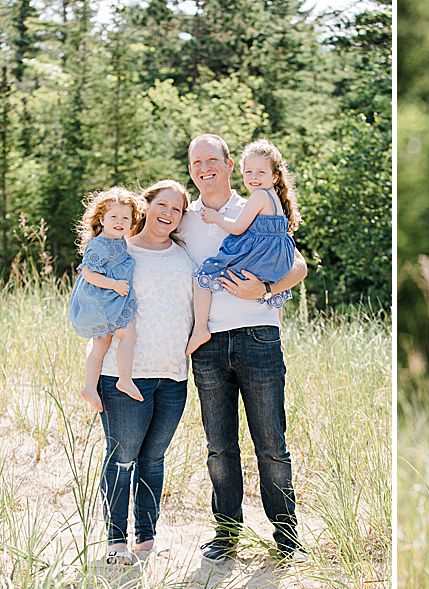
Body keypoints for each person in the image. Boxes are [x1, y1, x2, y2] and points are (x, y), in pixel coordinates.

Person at [180, 133, 309, 563]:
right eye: (196, 162)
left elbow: (300, 264)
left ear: (229, 164)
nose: (204, 168)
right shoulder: (183, 216)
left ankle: (286, 536)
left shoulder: (255, 200)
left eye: (211, 160)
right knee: (220, 445)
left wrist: (266, 287)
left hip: (258, 335)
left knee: (271, 442)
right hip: (207, 343)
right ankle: (227, 533)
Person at [93, 180, 196, 566]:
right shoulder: (121, 252)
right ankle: (116, 540)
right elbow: (91, 301)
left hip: (173, 375)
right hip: (124, 376)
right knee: (123, 459)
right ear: (146, 206)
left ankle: (146, 538)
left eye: (177, 209)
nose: (168, 213)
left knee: (153, 460)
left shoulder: (185, 256)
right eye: (162, 204)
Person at [188, 139, 300, 355]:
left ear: (274, 176)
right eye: (249, 172)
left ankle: (200, 328)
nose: (253, 178)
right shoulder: (275, 199)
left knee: (204, 273)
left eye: (260, 172)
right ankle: (279, 330)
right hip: (274, 259)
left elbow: (238, 228)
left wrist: (215, 218)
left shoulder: (256, 198)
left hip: (257, 330)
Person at [69, 187, 146, 411]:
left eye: (125, 218)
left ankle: (90, 388)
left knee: (101, 345)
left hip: (108, 299)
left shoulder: (118, 241)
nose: (120, 222)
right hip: (102, 300)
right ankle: (124, 379)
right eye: (114, 217)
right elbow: (88, 273)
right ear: (102, 219)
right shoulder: (99, 244)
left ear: (132, 222)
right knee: (128, 335)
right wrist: (114, 284)